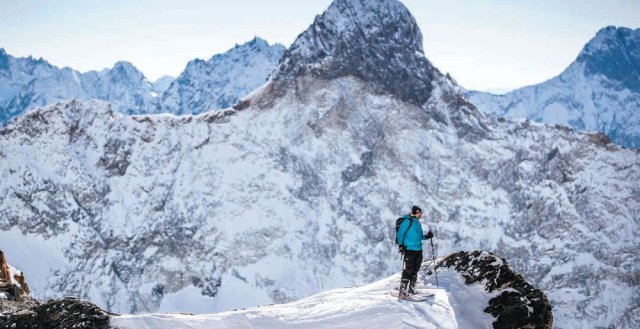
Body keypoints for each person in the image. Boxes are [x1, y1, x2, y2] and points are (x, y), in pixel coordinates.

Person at [396, 205, 433, 297]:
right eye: (420, 212)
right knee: (408, 270)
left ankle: (411, 289)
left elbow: (419, 237)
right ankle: (402, 291)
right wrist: (401, 245)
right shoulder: (407, 221)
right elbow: (400, 234)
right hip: (409, 250)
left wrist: (427, 236)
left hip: (418, 250)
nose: (421, 214)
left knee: (415, 270)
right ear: (416, 213)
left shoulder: (417, 223)